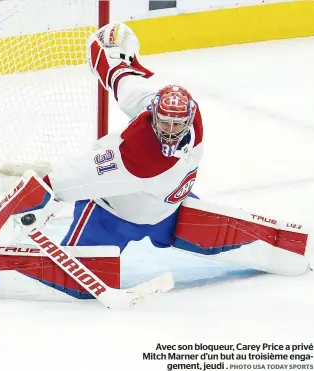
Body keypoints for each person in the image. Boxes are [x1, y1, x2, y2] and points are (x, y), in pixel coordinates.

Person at [46, 22, 203, 253]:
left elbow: (75, 176)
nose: (169, 130)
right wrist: (112, 62)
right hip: (116, 216)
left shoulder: (137, 152)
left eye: (176, 124)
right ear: (152, 112)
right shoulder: (138, 150)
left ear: (188, 119)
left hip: (161, 211)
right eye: (164, 122)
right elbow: (125, 81)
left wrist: (44, 187)